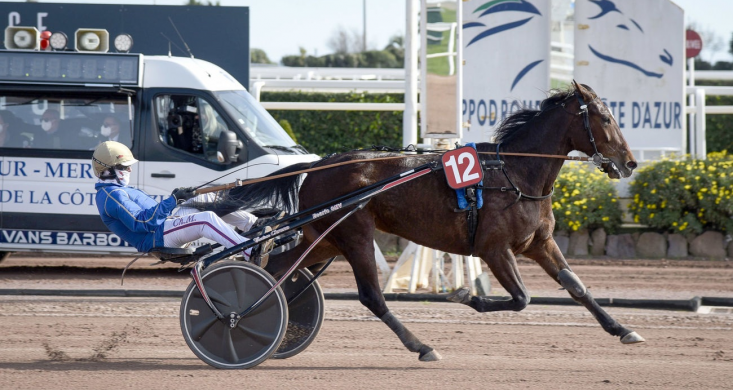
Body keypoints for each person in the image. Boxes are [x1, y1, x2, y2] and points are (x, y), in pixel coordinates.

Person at [92, 141, 274, 264]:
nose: (130, 169)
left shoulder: (118, 190)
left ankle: (252, 224)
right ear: (106, 170)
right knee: (206, 218)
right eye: (124, 167)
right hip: (157, 236)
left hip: (164, 225)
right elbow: (142, 222)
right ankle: (248, 250)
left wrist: (178, 199)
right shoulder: (112, 196)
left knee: (205, 199)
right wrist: (173, 200)